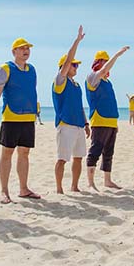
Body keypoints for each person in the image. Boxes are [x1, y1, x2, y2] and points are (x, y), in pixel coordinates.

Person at [0, 38, 40, 204]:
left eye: (27, 48)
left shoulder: (32, 69)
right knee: (7, 153)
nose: (26, 50)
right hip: (11, 117)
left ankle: (23, 188)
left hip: (28, 117)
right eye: (22, 48)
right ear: (14, 52)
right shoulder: (6, 68)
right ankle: (4, 191)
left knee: (24, 153)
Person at [85, 47, 129, 190]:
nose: (106, 65)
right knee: (95, 151)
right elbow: (103, 70)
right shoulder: (92, 77)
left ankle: (107, 181)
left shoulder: (107, 82)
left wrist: (115, 124)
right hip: (99, 120)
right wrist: (117, 55)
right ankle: (91, 183)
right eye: (104, 61)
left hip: (111, 121)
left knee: (109, 152)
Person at [52, 26, 89, 194]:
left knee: (78, 157)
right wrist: (77, 41)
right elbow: (67, 61)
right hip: (66, 125)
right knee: (62, 159)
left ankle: (74, 186)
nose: (75, 67)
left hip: (78, 125)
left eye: (76, 66)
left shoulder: (76, 85)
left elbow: (79, 106)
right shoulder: (60, 81)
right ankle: (59, 189)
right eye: (74, 65)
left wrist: (86, 123)